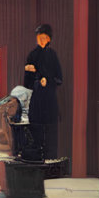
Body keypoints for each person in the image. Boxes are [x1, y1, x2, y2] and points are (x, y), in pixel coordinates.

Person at [23, 23, 63, 160]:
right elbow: (26, 84)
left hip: (50, 99)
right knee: (36, 130)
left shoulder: (53, 55)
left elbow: (59, 78)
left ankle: (51, 160)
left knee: (51, 131)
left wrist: (48, 81)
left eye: (45, 37)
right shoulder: (32, 55)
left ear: (49, 39)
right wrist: (29, 72)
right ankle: (37, 160)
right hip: (37, 100)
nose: (41, 40)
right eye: (39, 37)